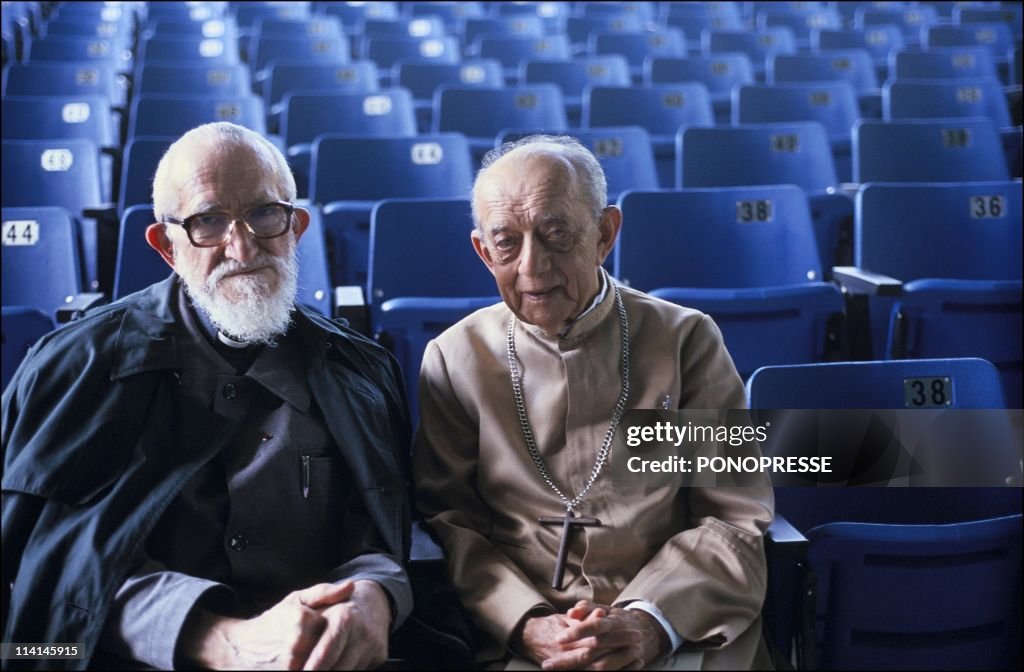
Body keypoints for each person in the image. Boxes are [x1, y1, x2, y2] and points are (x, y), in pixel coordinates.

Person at [2, 122, 412, 670]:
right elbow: (44, 588)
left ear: (297, 228)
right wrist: (218, 641)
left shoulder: (361, 369)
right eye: (208, 221)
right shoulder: (71, 369)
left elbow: (384, 536)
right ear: (166, 245)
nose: (242, 247)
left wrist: (375, 595)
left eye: (265, 214)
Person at [414, 136, 775, 670]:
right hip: (526, 638)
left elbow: (733, 516)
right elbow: (451, 523)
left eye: (557, 234)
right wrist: (525, 623)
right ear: (483, 251)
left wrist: (652, 619)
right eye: (507, 243)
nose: (533, 268)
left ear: (605, 233)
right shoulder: (453, 358)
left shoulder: (685, 340)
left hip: (681, 624)